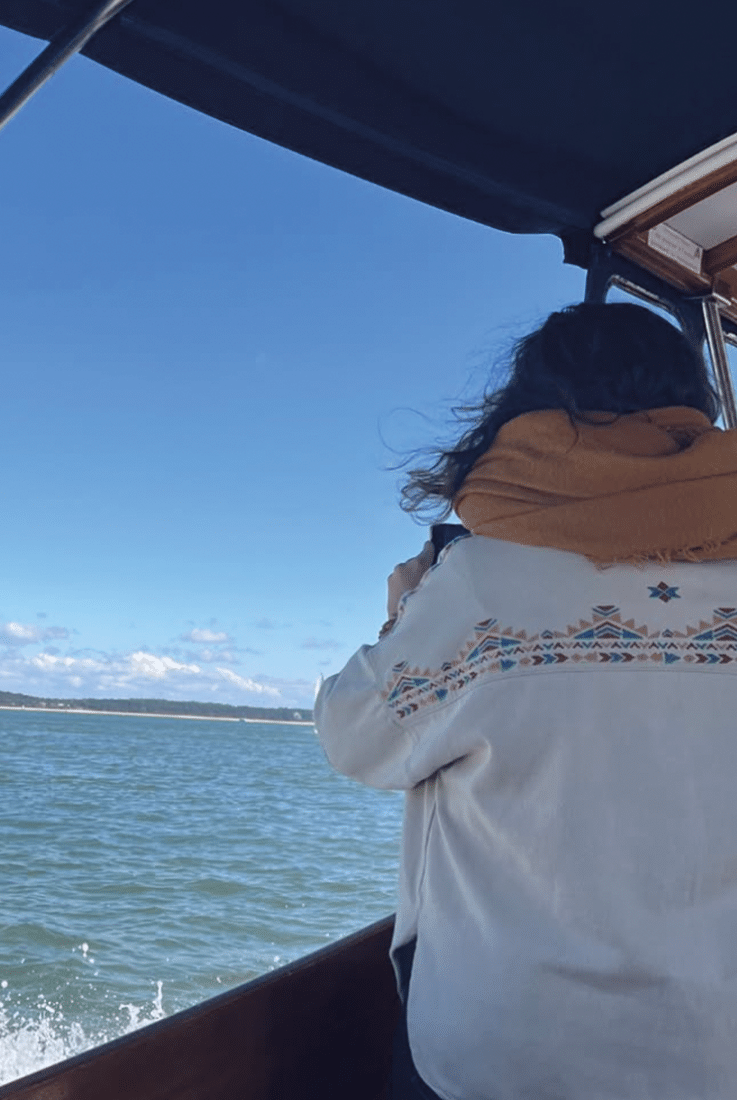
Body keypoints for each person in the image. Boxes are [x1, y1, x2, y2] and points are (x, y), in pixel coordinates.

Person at [313, 302, 737, 1100]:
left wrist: (405, 615)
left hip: (498, 1056)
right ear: (693, 411)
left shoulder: (481, 582)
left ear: (533, 409)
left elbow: (352, 735)